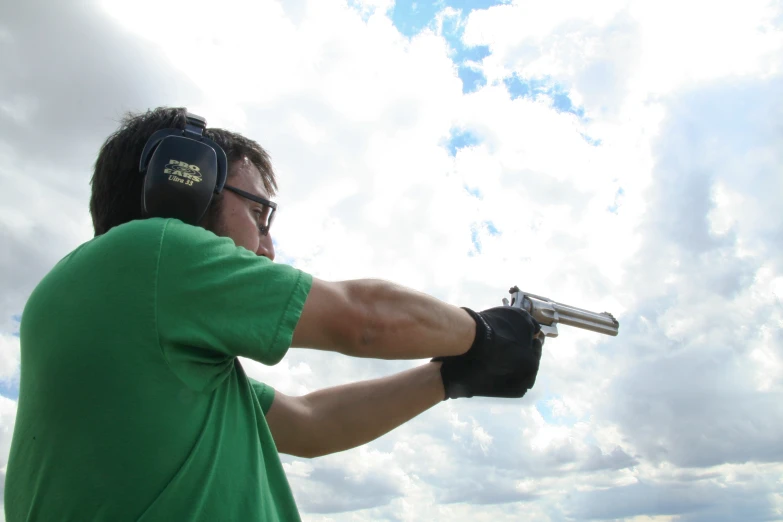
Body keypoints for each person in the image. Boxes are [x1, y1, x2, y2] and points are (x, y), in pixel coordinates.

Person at [4, 107, 543, 521]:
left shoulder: (133, 324)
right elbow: (362, 319)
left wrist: (450, 376)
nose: (268, 247)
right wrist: (487, 333)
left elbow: (312, 424)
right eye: (258, 213)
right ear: (182, 189)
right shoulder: (151, 250)